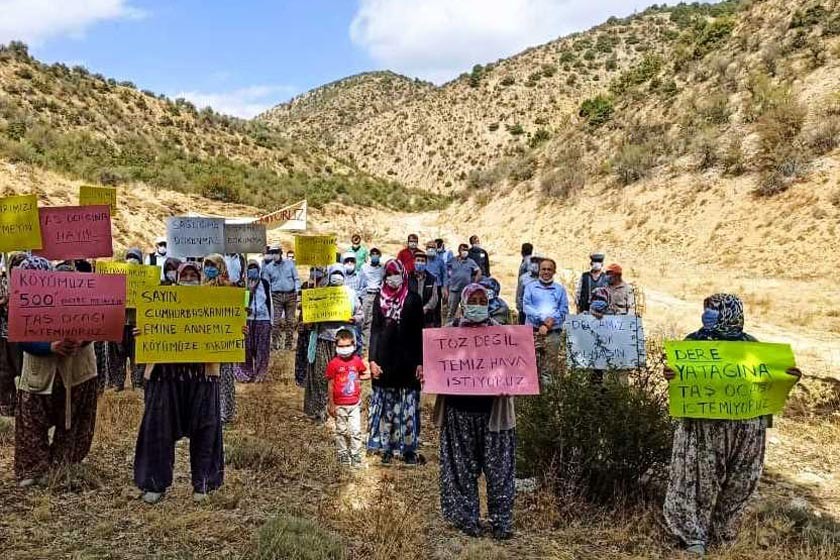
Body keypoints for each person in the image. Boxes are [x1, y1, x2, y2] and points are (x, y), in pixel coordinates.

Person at [662, 294, 802, 556]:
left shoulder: (753, 347)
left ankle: (722, 529)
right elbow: (680, 377)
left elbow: (767, 383)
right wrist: (671, 374)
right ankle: (693, 535)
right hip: (704, 428)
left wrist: (788, 378)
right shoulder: (694, 343)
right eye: (706, 310)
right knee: (699, 480)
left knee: (739, 481)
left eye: (714, 310)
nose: (708, 315)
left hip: (745, 430)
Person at [133, 261, 227, 504]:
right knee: (158, 430)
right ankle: (154, 484)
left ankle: (203, 484)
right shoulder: (160, 300)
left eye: (193, 273)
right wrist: (142, 332)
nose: (188, 277)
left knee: (207, 430)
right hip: (166, 376)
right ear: (176, 277)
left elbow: (228, 331)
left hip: (203, 376)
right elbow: (146, 328)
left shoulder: (214, 302)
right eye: (184, 273)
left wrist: (237, 332)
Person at [429, 283, 516, 539]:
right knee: (461, 469)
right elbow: (433, 367)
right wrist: (426, 372)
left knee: (500, 470)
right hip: (458, 414)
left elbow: (516, 367)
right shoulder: (447, 335)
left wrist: (510, 382)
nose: (478, 304)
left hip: (495, 416)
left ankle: (501, 522)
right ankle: (467, 519)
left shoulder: (503, 334)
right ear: (464, 303)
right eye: (473, 300)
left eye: (482, 300)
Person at [14, 256, 99, 487]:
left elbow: (98, 322)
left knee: (72, 419)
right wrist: (49, 347)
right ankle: (33, 469)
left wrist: (80, 340)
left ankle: (63, 464)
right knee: (31, 419)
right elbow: (22, 338)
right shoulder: (21, 301)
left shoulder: (75, 294)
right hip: (39, 373)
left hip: (77, 372)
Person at [367, 259, 424, 465]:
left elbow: (420, 333)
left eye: (396, 273)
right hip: (385, 361)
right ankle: (386, 448)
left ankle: (408, 449)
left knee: (408, 404)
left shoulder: (413, 299)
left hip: (408, 362)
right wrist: (372, 360)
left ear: (403, 274)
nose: (393, 277)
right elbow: (374, 330)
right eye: (389, 274)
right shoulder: (379, 299)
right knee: (387, 406)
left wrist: (421, 362)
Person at [304, 265, 363, 423]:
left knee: (343, 377)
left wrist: (354, 319)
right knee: (322, 375)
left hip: (343, 341)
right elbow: (308, 318)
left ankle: (342, 411)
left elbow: (360, 314)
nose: (337, 276)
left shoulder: (350, 294)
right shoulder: (321, 293)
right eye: (334, 273)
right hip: (324, 339)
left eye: (339, 273)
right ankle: (320, 411)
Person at [326, 328, 369, 468]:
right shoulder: (333, 364)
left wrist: (372, 374)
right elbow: (331, 385)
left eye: (347, 346)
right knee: (341, 431)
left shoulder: (356, 361)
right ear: (336, 346)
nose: (344, 349)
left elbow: (363, 373)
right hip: (339, 405)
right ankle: (343, 454)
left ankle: (356, 456)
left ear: (353, 344)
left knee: (356, 431)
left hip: (354, 404)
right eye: (341, 346)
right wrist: (331, 404)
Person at [202, 254, 237, 425]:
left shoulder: (230, 288)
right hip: (204, 336)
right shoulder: (199, 288)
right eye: (207, 265)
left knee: (225, 375)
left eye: (213, 265)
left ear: (221, 267)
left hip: (224, 337)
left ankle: (226, 413)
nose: (209, 268)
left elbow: (238, 312)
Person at [523, 258, 569, 386]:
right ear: (539, 270)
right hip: (533, 332)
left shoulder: (560, 290)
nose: (546, 272)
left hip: (553, 333)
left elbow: (563, 310)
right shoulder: (530, 288)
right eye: (543, 269)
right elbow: (527, 307)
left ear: (554, 271)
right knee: (530, 366)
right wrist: (543, 320)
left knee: (549, 369)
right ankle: (531, 401)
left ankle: (547, 400)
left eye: (549, 269)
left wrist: (549, 324)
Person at [106, 248, 145, 391]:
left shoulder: (146, 279)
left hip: (136, 324)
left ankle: (137, 383)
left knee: (138, 358)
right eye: (129, 257)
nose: (131, 260)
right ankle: (118, 383)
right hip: (119, 323)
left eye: (135, 258)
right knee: (116, 355)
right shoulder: (116, 277)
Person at [235, 260, 274, 383]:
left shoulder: (265, 283)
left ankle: (260, 373)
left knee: (262, 349)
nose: (252, 270)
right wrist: (250, 291)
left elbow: (270, 302)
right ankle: (246, 373)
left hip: (263, 319)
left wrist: (271, 321)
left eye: (254, 267)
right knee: (246, 348)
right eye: (250, 267)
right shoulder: (242, 284)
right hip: (247, 320)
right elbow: (240, 303)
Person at [0, 252, 26, 416]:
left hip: (24, 337)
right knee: (4, 371)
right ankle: (7, 406)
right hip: (4, 335)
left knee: (23, 370)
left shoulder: (31, 283)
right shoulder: (3, 282)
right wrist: (4, 302)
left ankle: (23, 405)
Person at [261, 246, 301, 351]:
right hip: (276, 296)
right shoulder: (269, 268)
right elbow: (266, 283)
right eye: (272, 253)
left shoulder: (290, 264)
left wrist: (297, 291)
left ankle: (288, 344)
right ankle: (275, 343)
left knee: (290, 321)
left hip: (290, 294)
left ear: (280, 253)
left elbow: (296, 278)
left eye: (276, 253)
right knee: (276, 321)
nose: (274, 255)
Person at [358, 248, 385, 351]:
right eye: (372, 254)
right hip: (366, 295)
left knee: (373, 321)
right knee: (363, 320)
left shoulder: (382, 268)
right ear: (370, 255)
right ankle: (361, 346)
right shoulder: (364, 267)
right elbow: (360, 282)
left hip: (377, 295)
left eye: (376, 254)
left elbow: (383, 281)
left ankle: (368, 347)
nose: (374, 256)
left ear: (379, 255)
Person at [446, 244, 482, 322]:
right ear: (459, 250)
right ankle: (448, 329)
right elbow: (445, 269)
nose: (465, 252)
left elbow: (478, 271)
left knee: (467, 311)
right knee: (451, 311)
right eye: (463, 250)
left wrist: (474, 283)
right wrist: (448, 280)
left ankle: (465, 328)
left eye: (466, 250)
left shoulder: (471, 261)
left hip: (466, 291)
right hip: (454, 290)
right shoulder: (453, 260)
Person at [410, 250, 441, 328]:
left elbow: (434, 298)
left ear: (426, 263)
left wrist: (426, 308)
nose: (420, 263)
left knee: (426, 338)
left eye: (422, 261)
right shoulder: (408, 278)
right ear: (414, 262)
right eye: (418, 260)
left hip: (427, 316)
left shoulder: (432, 278)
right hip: (411, 315)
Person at [516, 255, 542, 325]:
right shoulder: (524, 279)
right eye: (534, 261)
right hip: (525, 312)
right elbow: (519, 296)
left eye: (538, 261)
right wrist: (521, 311)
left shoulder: (545, 279)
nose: (535, 264)